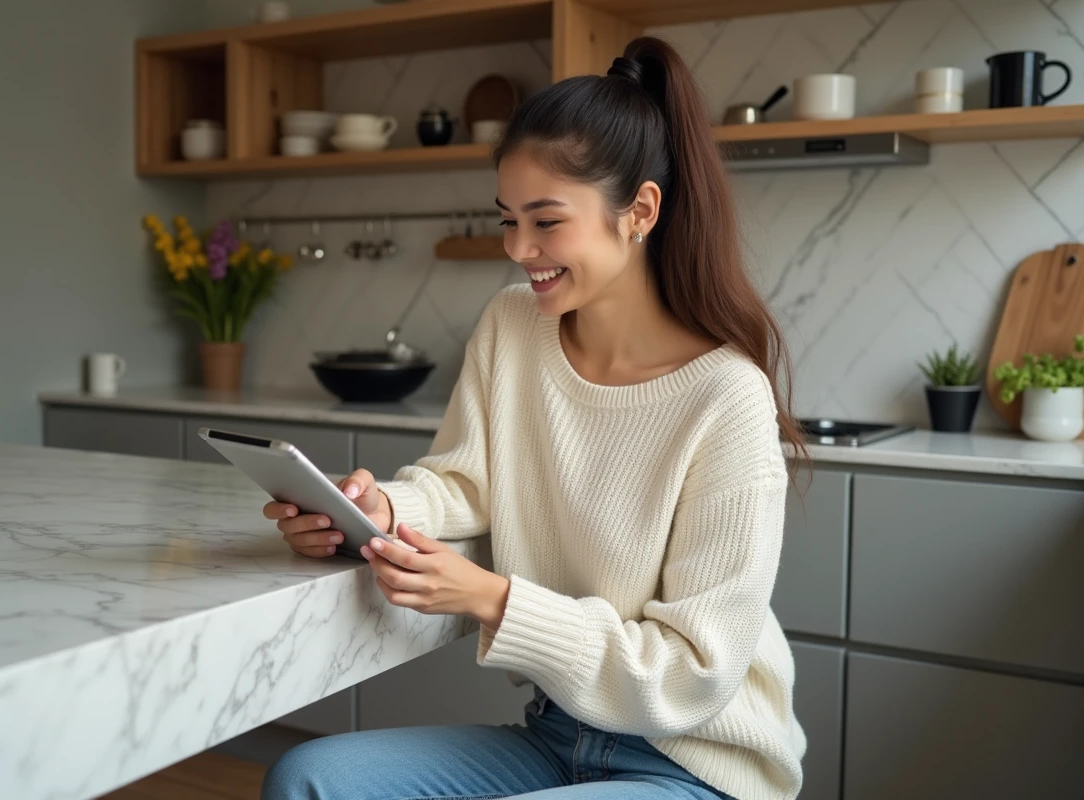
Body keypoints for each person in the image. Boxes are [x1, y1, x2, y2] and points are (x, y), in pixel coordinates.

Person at [261, 35, 809, 800]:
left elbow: (693, 672)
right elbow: (467, 482)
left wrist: (491, 597)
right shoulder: (513, 326)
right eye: (508, 220)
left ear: (639, 212)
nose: (519, 248)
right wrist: (379, 507)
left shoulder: (726, 398)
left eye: (546, 222)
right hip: (557, 733)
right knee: (308, 778)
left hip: (695, 764)